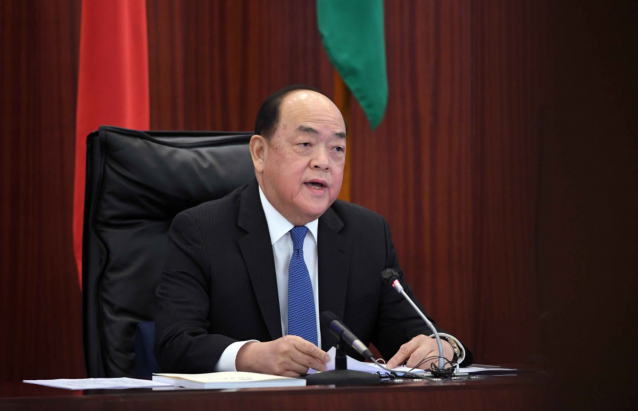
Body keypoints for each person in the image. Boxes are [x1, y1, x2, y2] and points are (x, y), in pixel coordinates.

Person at [154, 85, 472, 376]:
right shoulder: (201, 231)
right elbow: (174, 343)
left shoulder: (368, 234)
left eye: (337, 149)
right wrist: (249, 356)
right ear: (260, 153)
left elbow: (413, 336)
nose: (324, 162)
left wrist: (445, 348)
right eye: (305, 144)